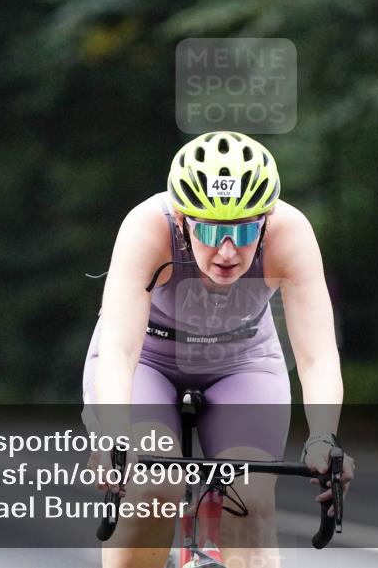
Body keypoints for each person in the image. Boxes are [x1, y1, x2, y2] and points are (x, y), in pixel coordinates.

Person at [82, 131, 354, 568]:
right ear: (182, 219)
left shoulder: (290, 233)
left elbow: (318, 356)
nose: (227, 251)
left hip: (241, 361)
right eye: (209, 230)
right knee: (155, 488)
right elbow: (118, 349)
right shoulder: (147, 226)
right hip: (148, 361)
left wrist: (324, 437)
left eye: (245, 230)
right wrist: (114, 433)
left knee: (251, 500)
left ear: (265, 220)